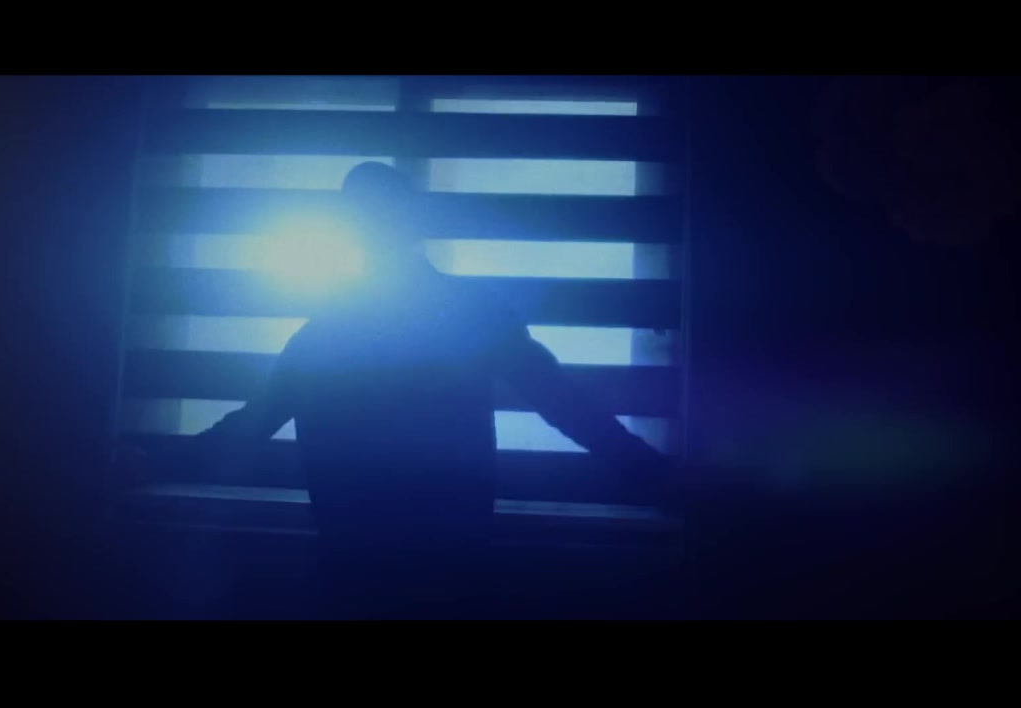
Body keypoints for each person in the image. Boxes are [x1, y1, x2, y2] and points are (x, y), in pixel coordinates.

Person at [127, 161, 672, 618]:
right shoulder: (468, 312)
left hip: (356, 554)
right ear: (413, 221)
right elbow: (562, 402)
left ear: (351, 231)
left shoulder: (327, 332)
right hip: (451, 553)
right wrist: (656, 475)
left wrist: (157, 464)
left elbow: (253, 425)